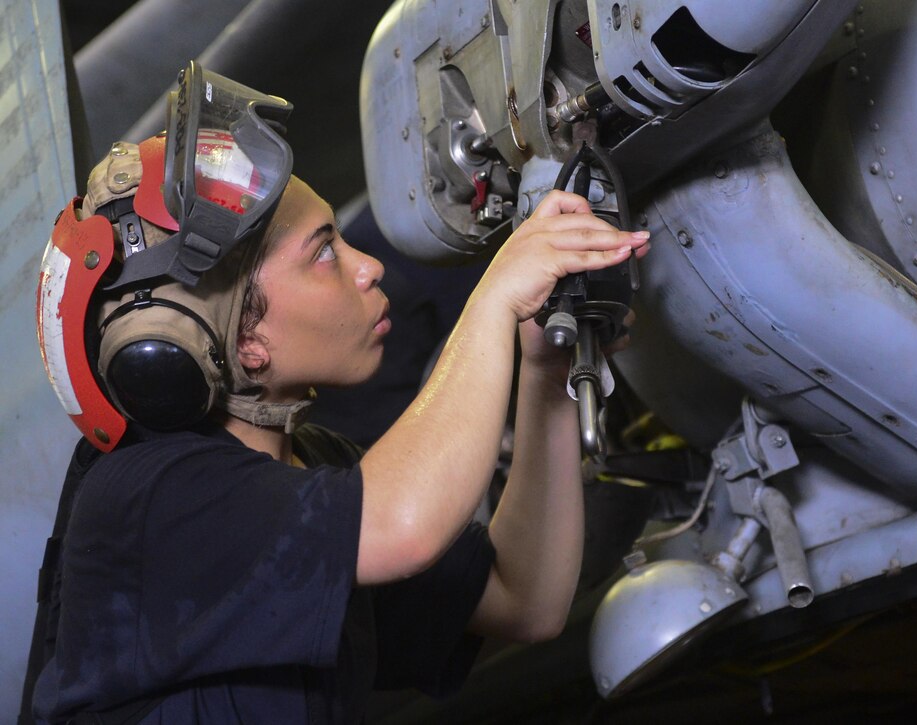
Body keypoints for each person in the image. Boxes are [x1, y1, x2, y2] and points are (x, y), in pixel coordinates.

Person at [26, 64, 649, 723]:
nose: (368, 265)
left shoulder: (310, 471)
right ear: (240, 337)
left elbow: (525, 598)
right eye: (325, 251)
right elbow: (401, 526)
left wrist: (544, 377)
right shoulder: (149, 497)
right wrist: (492, 299)